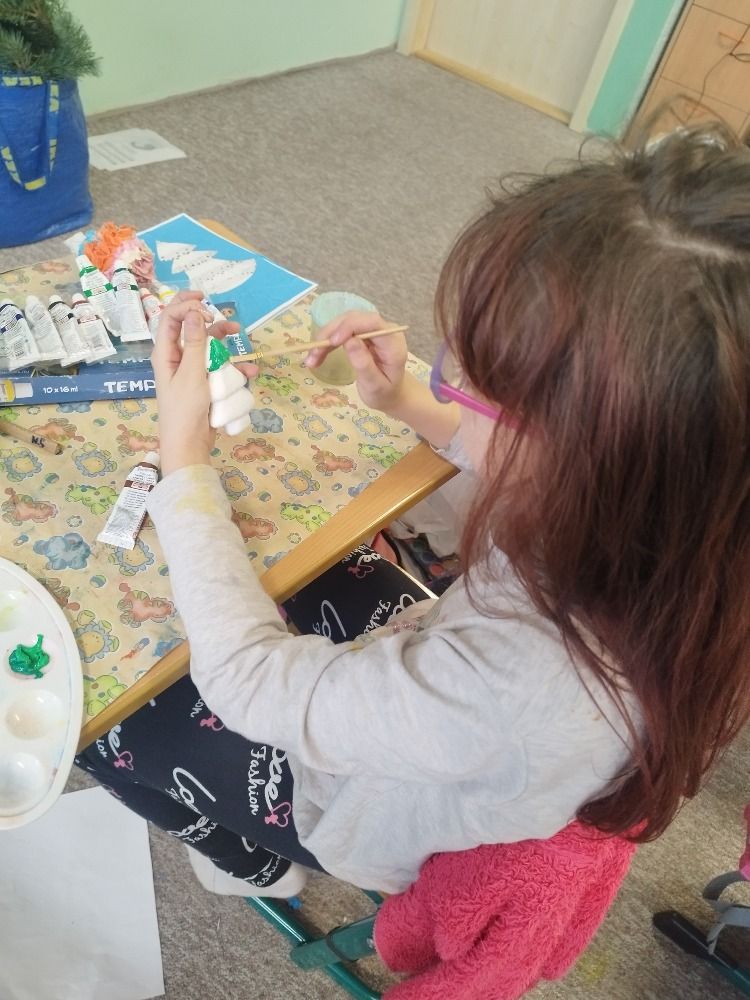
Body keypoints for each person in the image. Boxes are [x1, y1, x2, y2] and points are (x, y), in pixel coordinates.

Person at [77, 124, 750, 899]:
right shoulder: (679, 521)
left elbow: (247, 679)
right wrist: (404, 399)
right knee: (303, 559)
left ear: (589, 459)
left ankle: (256, 866)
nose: (449, 375)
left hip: (354, 808)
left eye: (477, 380)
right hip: (439, 684)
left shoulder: (511, 688)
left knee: (100, 721)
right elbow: (518, 467)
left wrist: (184, 455)